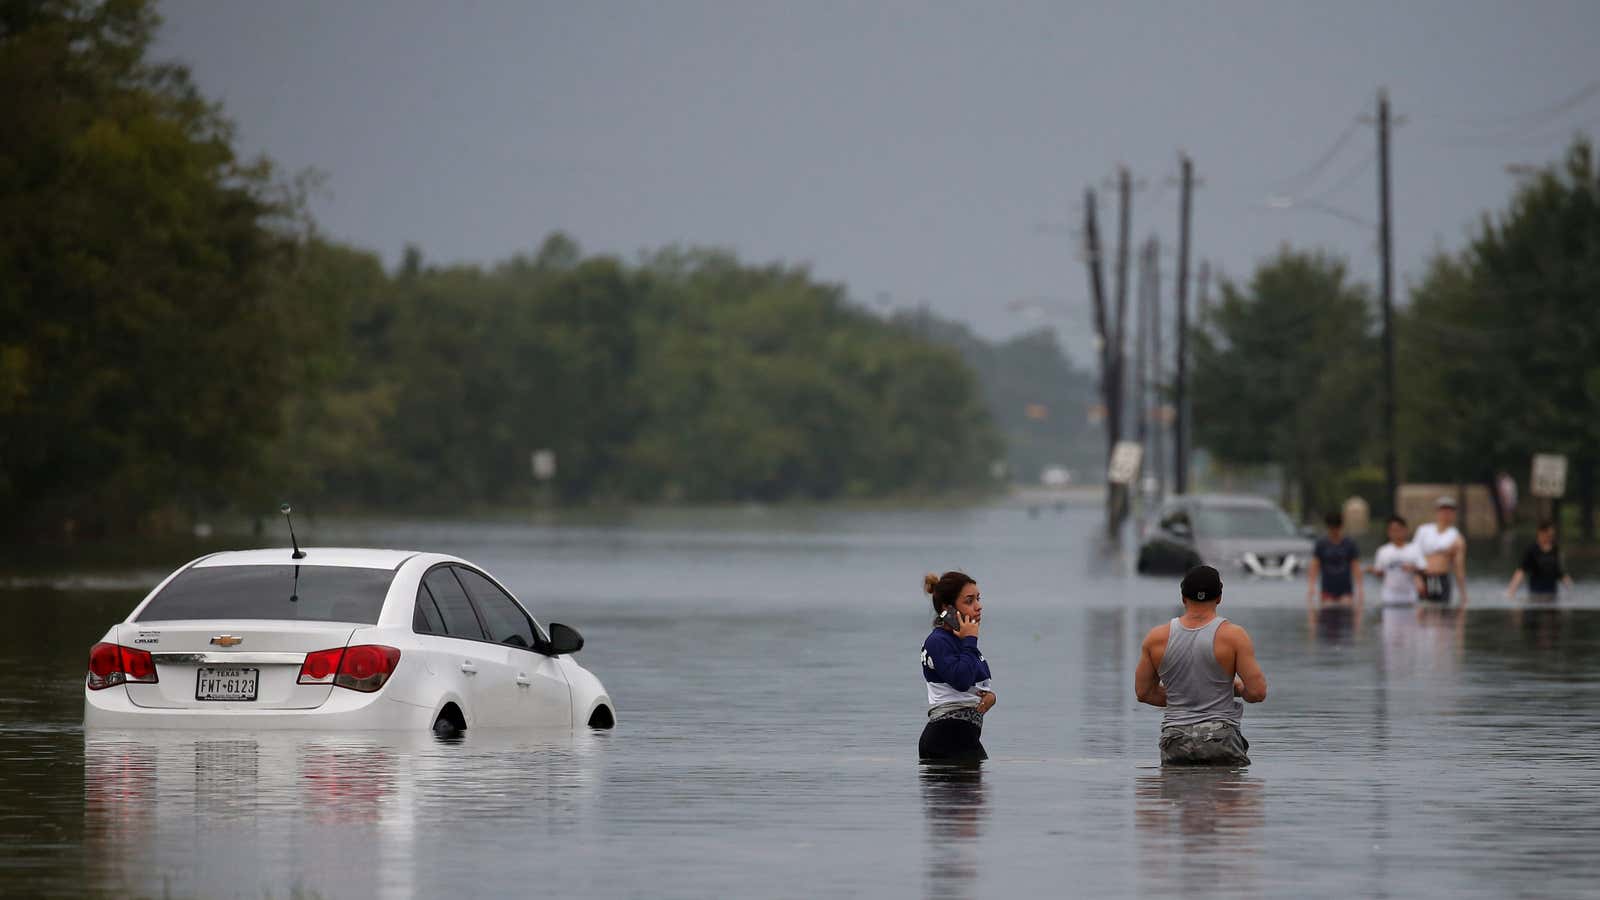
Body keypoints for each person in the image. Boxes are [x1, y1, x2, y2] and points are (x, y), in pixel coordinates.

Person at [1135, 566, 1267, 766]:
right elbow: (1257, 693)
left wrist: (1185, 698)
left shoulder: (1156, 638)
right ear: (1220, 597)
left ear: (1183, 597)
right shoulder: (1234, 636)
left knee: (1176, 791)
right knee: (1238, 794)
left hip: (1175, 739)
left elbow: (1143, 693)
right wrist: (1237, 689)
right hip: (1220, 738)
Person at [919, 571, 995, 762]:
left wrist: (990, 697)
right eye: (969, 601)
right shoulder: (938, 642)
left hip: (962, 737)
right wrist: (970, 640)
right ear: (947, 609)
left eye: (978, 599)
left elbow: (973, 682)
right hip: (946, 737)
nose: (979, 607)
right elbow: (960, 680)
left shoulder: (962, 642)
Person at [1414, 496, 1468, 606]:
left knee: (1442, 612)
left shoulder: (1456, 537)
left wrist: (1463, 594)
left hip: (1441, 578)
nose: (1446, 514)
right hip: (1424, 576)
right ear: (1437, 512)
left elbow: (1459, 566)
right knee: (1421, 613)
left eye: (1449, 511)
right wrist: (1417, 578)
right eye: (1443, 510)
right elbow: (1414, 556)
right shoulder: (1423, 530)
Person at [1506, 520, 1572, 600]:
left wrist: (1571, 588)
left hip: (1552, 594)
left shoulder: (1555, 549)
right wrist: (1511, 591)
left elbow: (1559, 572)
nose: (1550, 538)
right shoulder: (1532, 550)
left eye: (1552, 536)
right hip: (1536, 594)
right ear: (1541, 533)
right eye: (1549, 535)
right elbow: (1521, 571)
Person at [1307, 511, 1363, 606]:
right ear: (1328, 527)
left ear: (1341, 527)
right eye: (1331, 528)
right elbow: (1314, 566)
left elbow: (1355, 566)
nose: (1334, 531)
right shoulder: (1321, 544)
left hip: (1345, 588)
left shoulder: (1349, 544)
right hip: (1328, 588)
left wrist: (1360, 588)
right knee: (1328, 611)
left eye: (1336, 528)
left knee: (1346, 609)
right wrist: (1311, 586)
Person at [1368, 514, 1426, 606]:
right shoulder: (1383, 551)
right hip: (1389, 596)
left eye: (1398, 530)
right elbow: (1380, 572)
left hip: (1409, 596)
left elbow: (1423, 569)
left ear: (1405, 530)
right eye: (1393, 530)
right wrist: (1373, 571)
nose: (1396, 533)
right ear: (1388, 532)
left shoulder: (1414, 549)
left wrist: (1413, 568)